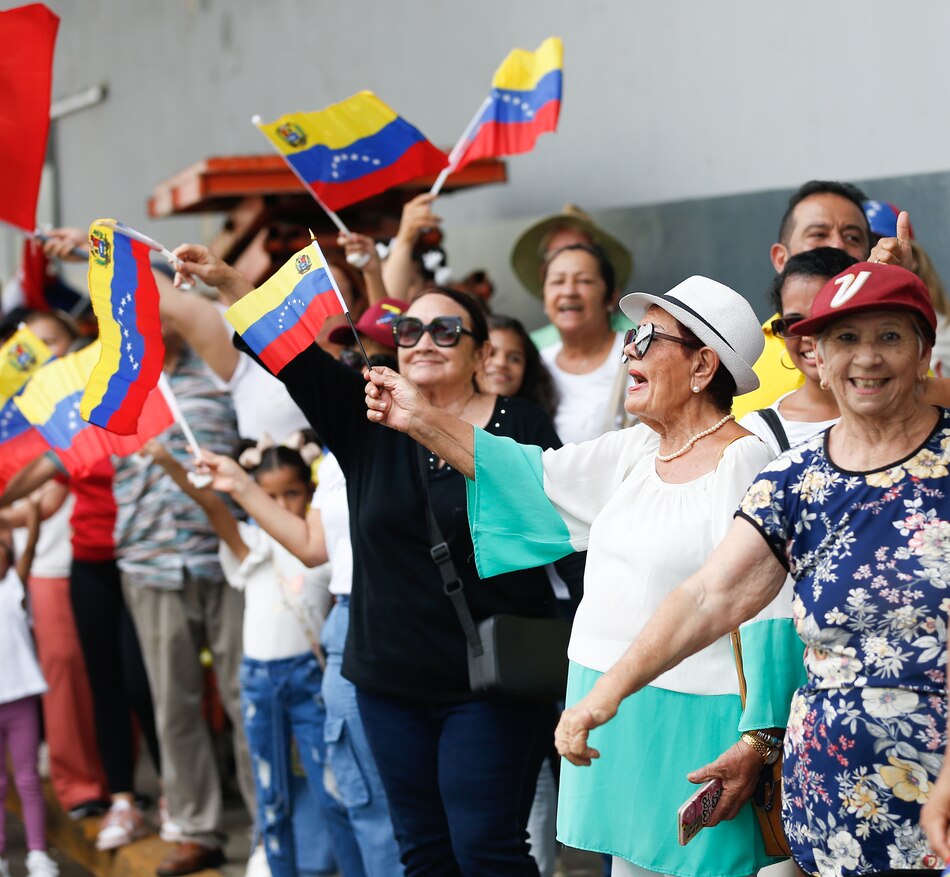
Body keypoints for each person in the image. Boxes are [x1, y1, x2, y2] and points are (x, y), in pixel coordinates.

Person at [363, 276, 802, 876]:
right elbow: (523, 475)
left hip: (697, 716)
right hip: (610, 706)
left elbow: (767, 607)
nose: (629, 352)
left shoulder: (743, 458)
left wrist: (759, 739)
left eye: (648, 337)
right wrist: (418, 417)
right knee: (625, 870)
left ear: (702, 366)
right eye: (631, 336)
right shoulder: (633, 451)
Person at [555, 262, 950, 876]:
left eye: (889, 336)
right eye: (845, 339)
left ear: (925, 349)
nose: (865, 358)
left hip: (939, 796)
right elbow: (711, 595)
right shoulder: (796, 478)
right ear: (814, 354)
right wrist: (602, 696)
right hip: (831, 805)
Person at [230, 281, 567, 876]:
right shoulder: (365, 419)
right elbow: (286, 350)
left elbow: (558, 535)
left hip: (492, 680)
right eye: (409, 331)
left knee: (485, 847)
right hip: (389, 684)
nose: (423, 342)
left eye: (446, 331)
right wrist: (230, 280)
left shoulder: (522, 423)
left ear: (482, 353)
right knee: (424, 853)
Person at [146, 437, 365, 877]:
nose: (280, 504)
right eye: (267, 497)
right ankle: (278, 865)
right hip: (258, 681)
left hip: (309, 678)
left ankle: (352, 868)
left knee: (332, 788)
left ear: (311, 492)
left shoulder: (320, 549)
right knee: (271, 791)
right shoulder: (250, 542)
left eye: (292, 493)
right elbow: (211, 505)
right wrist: (168, 463)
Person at [734, 180, 874, 419]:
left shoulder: (895, 350)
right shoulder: (742, 360)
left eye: (852, 237)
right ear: (781, 258)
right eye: (818, 234)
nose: (837, 245)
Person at [741, 248, 857, 453]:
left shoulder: (900, 406)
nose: (807, 335)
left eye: (822, 319)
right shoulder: (758, 434)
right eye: (793, 323)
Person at [0, 502, 60, 877]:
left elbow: (32, 544)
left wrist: (34, 515)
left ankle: (38, 852)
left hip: (21, 700)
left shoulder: (13, 588)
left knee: (27, 779)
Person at [538, 243, 632, 444]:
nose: (569, 291)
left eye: (584, 281)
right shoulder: (536, 364)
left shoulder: (636, 354)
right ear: (544, 298)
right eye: (557, 281)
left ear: (610, 297)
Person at [509, 204, 633, 352]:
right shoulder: (530, 350)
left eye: (580, 249)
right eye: (556, 254)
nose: (569, 291)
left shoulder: (639, 339)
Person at [478, 315, 559, 419]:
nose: (501, 363)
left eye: (514, 359)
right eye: (491, 353)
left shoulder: (534, 425)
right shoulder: (452, 419)